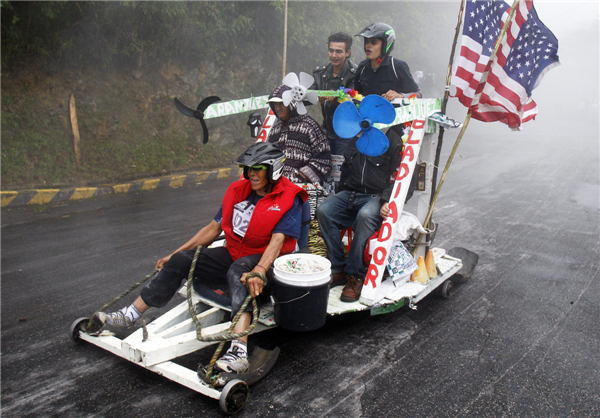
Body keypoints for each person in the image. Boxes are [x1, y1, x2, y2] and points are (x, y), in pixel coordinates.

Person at [93, 142, 308, 374]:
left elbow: (277, 242)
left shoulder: (289, 197)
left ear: (273, 169)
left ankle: (239, 351)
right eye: (248, 169)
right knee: (183, 260)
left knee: (239, 271)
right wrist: (174, 254)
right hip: (235, 254)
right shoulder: (238, 191)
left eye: (257, 168)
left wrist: (259, 270)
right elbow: (213, 229)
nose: (251, 174)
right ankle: (130, 315)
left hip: (268, 266)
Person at [315, 23, 420, 303]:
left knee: (364, 216)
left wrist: (402, 96)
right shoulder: (361, 69)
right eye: (366, 42)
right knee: (325, 210)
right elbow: (353, 94)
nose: (368, 46)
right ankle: (337, 268)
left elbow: (416, 96)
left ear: (385, 44)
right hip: (363, 138)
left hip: (390, 132)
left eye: (373, 42)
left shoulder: (398, 67)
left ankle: (355, 275)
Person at [267, 84, 331, 185]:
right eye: (275, 105)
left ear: (292, 104)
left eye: (282, 103)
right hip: (275, 184)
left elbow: (324, 159)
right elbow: (268, 156)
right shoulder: (275, 129)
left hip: (300, 186)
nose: (278, 108)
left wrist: (303, 175)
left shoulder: (310, 126)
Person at [310, 32, 358, 156]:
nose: (334, 55)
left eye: (339, 51)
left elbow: (355, 100)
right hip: (326, 130)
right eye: (331, 51)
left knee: (344, 168)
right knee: (323, 166)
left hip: (347, 132)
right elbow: (309, 94)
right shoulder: (320, 73)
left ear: (348, 53)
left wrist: (336, 98)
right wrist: (313, 95)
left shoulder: (356, 74)